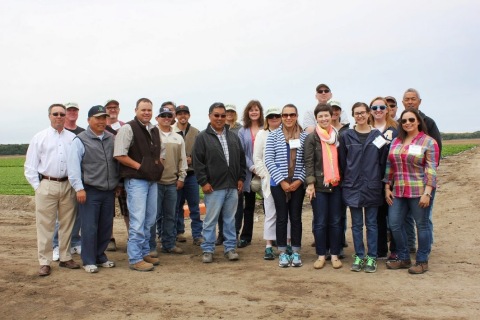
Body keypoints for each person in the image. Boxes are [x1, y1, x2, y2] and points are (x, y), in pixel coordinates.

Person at [24, 103, 80, 276]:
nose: (59, 117)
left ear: (66, 117)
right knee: (45, 225)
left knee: (67, 224)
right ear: (49, 116)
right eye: (55, 114)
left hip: (67, 185)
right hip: (46, 184)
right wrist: (38, 187)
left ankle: (65, 257)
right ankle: (45, 261)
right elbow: (30, 166)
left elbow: (77, 163)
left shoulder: (72, 138)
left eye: (62, 114)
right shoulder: (39, 138)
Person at [385, 108, 439, 274]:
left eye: (411, 120)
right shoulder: (396, 141)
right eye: (404, 120)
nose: (407, 123)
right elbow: (390, 165)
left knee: (422, 225)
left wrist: (427, 192)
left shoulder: (429, 142)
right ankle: (403, 257)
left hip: (419, 191)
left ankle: (422, 261)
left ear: (418, 122)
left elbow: (431, 169)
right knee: (394, 224)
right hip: (399, 190)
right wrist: (387, 186)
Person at [67, 105, 120, 273]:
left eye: (103, 118)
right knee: (90, 227)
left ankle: (100, 255)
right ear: (89, 120)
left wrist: (118, 184)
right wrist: (79, 188)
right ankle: (88, 260)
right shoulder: (80, 140)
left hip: (108, 190)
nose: (101, 121)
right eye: (97, 118)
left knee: (105, 226)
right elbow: (73, 166)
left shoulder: (111, 138)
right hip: (90, 191)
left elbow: (116, 163)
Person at [114, 98, 164, 272]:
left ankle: (143, 252)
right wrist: (141, 167)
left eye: (149, 110)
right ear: (136, 110)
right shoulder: (128, 128)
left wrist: (158, 166)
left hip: (151, 181)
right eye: (143, 110)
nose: (147, 113)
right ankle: (135, 258)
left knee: (149, 219)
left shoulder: (154, 130)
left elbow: (160, 153)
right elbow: (119, 154)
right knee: (137, 220)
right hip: (136, 181)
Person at [192, 102, 246, 263]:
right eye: (216, 115)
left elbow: (241, 159)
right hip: (214, 187)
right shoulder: (202, 137)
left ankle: (230, 248)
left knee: (230, 219)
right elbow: (198, 162)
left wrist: (241, 178)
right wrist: (203, 182)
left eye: (223, 115)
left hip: (232, 186)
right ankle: (208, 249)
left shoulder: (233, 136)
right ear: (210, 116)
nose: (220, 118)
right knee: (210, 220)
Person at [339, 102, 389, 273]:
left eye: (362, 113)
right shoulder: (346, 136)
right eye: (356, 113)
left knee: (372, 224)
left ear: (369, 114)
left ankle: (372, 257)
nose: (359, 116)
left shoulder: (378, 137)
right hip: (352, 186)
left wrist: (380, 181)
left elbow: (383, 162)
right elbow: (342, 162)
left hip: (372, 186)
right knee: (357, 224)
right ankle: (359, 255)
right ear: (353, 115)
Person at [265, 104, 307, 268]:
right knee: (281, 218)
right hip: (278, 184)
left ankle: (296, 251)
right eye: (285, 115)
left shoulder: (304, 137)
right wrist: (282, 181)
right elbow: (269, 159)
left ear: (297, 116)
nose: (288, 118)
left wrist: (299, 181)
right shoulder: (273, 136)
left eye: (292, 115)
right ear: (281, 117)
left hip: (297, 183)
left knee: (296, 217)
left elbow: (306, 162)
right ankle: (282, 252)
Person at [304, 104, 343, 270]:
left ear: (332, 116)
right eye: (320, 116)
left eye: (326, 115)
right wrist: (311, 183)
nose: (324, 119)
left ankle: (334, 254)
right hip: (319, 186)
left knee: (335, 221)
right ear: (316, 118)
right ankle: (321, 255)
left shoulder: (339, 136)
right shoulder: (312, 138)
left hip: (337, 185)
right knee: (320, 222)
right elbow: (309, 162)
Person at [402, 88, 442, 244]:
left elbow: (435, 154)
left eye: (413, 99)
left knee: (424, 217)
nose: (410, 102)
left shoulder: (429, 122)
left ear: (419, 101)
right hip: (405, 181)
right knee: (406, 217)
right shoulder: (402, 124)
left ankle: (426, 247)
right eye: (407, 99)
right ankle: (411, 244)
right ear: (403, 102)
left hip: (423, 180)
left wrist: (429, 183)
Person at [149, 107, 187, 256]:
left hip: (172, 182)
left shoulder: (178, 137)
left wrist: (181, 177)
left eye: (169, 115)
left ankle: (169, 244)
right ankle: (151, 246)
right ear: (157, 118)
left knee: (171, 215)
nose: (166, 118)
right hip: (155, 183)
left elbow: (182, 159)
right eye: (163, 115)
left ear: (172, 118)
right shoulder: (152, 135)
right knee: (153, 216)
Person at [253, 107, 290, 260]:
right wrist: (264, 175)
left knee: (286, 213)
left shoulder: (287, 133)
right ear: (267, 119)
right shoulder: (262, 134)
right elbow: (258, 158)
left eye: (276, 116)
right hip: (269, 180)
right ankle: (269, 244)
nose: (274, 118)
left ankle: (287, 242)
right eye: (271, 116)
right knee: (271, 213)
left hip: (287, 179)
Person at [51, 102, 84, 261]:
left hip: (75, 181)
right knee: (60, 217)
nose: (71, 113)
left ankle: (75, 241)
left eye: (74, 110)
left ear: (77, 113)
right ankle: (57, 244)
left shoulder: (81, 133)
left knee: (76, 214)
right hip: (59, 180)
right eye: (68, 110)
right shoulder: (56, 133)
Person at [369, 97, 399, 259]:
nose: (378, 110)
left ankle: (396, 250)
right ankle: (380, 250)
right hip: (373, 179)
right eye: (374, 107)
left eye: (382, 107)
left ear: (387, 109)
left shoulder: (396, 130)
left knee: (394, 217)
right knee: (377, 217)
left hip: (393, 179)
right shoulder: (366, 129)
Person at [173, 105, 204, 245]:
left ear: (189, 115)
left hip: (191, 174)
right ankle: (179, 232)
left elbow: (201, 154)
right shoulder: (171, 131)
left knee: (194, 207)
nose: (182, 116)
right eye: (180, 114)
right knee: (177, 206)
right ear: (176, 116)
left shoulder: (196, 132)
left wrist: (193, 159)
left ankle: (197, 234)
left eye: (185, 113)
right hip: (176, 174)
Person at [236, 100, 264, 248]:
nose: (254, 112)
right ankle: (245, 236)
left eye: (256, 110)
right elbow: (241, 153)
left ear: (260, 112)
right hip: (248, 172)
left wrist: (261, 169)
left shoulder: (266, 129)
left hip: (265, 172)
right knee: (248, 206)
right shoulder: (242, 131)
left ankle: (273, 237)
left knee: (269, 206)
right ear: (247, 112)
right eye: (251, 110)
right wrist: (253, 167)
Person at [104, 99, 128, 252]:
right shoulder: (100, 127)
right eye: (109, 108)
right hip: (107, 175)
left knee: (127, 209)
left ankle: (131, 237)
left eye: (115, 107)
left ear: (118, 110)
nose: (112, 110)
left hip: (124, 174)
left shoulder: (125, 127)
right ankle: (109, 238)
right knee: (108, 210)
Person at [216, 103, 242, 245]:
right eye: (227, 112)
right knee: (220, 208)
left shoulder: (240, 129)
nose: (229, 114)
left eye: (232, 111)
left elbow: (241, 154)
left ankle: (235, 234)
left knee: (236, 209)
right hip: (219, 178)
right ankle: (221, 234)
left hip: (234, 174)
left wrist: (241, 176)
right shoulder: (216, 130)